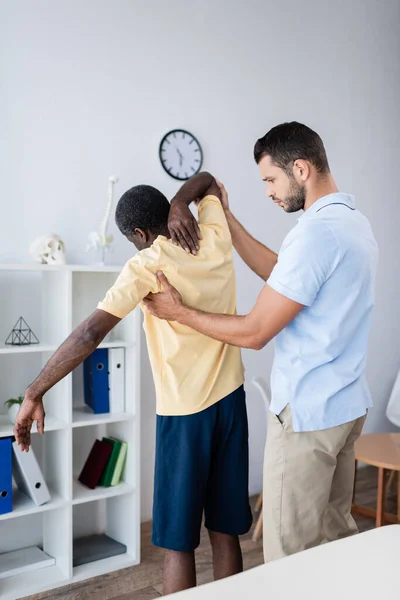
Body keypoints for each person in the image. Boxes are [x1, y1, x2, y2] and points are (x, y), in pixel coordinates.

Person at [142, 121, 379, 563]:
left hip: (309, 416)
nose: (269, 192)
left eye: (271, 179)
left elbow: (254, 332)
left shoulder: (315, 234)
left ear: (301, 170)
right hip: (346, 408)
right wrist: (227, 221)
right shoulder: (352, 223)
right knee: (335, 548)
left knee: (290, 557)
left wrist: (180, 313)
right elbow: (279, 272)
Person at [13, 173, 252, 595]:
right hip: (232, 402)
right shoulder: (214, 232)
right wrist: (183, 200)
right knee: (225, 530)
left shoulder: (147, 263)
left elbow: (89, 334)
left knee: (178, 542)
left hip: (185, 414)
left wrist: (34, 391)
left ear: (139, 233)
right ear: (171, 212)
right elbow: (209, 182)